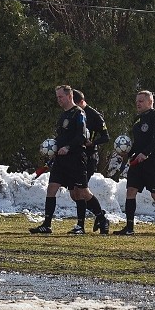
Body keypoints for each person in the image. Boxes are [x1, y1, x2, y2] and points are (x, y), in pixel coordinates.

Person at [113, 90, 155, 236]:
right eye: (137, 101)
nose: (138, 103)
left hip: (151, 161)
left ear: (150, 102)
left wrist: (146, 153)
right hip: (137, 162)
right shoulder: (137, 119)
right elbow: (137, 143)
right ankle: (129, 227)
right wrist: (129, 153)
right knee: (130, 191)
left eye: (141, 101)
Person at [30, 85, 92, 234]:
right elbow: (62, 136)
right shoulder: (63, 115)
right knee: (51, 188)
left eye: (60, 97)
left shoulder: (79, 113)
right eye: (57, 97)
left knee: (79, 192)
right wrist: (53, 147)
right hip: (60, 159)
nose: (58, 100)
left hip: (75, 158)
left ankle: (82, 225)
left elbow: (81, 136)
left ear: (69, 97)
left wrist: (68, 147)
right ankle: (47, 225)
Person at [71, 89, 110, 234]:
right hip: (75, 156)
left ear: (81, 102)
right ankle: (100, 215)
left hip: (88, 157)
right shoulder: (72, 113)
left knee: (82, 191)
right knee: (74, 193)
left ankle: (81, 225)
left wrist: (92, 143)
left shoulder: (94, 115)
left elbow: (106, 137)